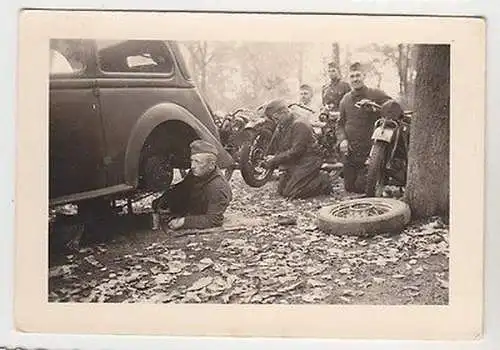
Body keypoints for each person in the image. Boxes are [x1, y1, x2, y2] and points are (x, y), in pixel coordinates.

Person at [336, 62, 394, 194]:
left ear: (364, 76)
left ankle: (380, 180)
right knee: (349, 187)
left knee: (363, 186)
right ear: (349, 78)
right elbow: (340, 124)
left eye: (358, 75)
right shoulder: (345, 100)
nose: (355, 79)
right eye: (352, 76)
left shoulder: (375, 94)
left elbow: (393, 107)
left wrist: (379, 110)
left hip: (371, 153)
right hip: (351, 152)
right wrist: (342, 140)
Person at [152, 140, 232, 230]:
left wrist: (184, 222)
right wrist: (164, 200)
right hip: (185, 209)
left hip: (193, 214)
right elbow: (182, 187)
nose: (193, 166)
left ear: (211, 165)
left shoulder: (218, 188)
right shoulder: (198, 173)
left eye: (198, 162)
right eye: (192, 161)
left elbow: (214, 220)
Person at [262, 99, 332, 199]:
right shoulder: (284, 123)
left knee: (291, 192)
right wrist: (268, 158)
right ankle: (307, 179)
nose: (275, 122)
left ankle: (322, 179)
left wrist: (274, 160)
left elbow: (297, 151)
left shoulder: (299, 124)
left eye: (276, 119)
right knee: (281, 190)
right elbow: (276, 145)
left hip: (309, 159)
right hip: (297, 159)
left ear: (284, 112)